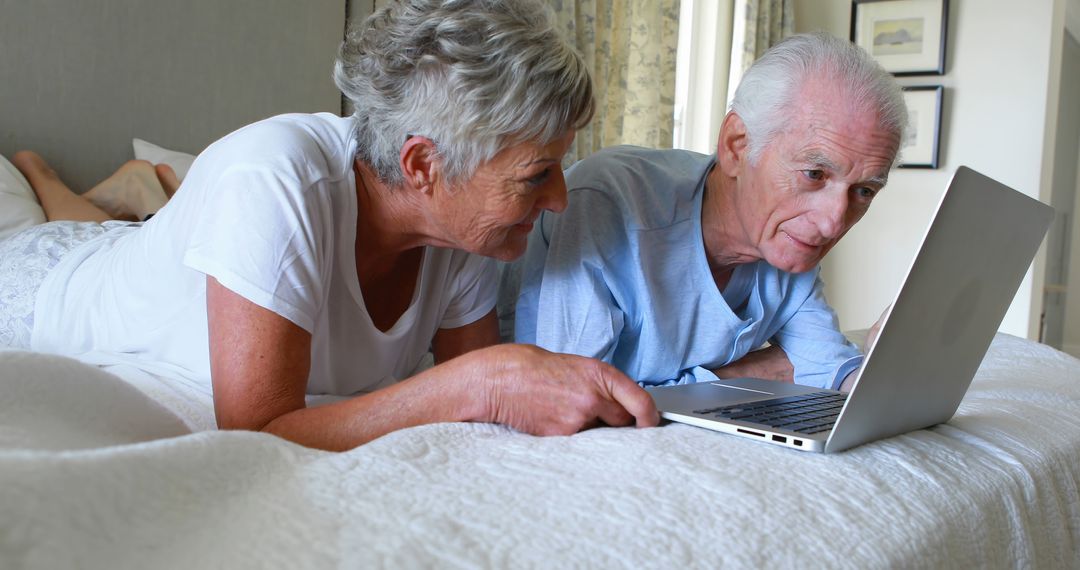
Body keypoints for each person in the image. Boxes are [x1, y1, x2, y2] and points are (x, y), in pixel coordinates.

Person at [0, 0, 659, 451]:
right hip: (36, 283)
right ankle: (56, 185)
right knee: (66, 242)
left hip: (121, 256)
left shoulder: (466, 228)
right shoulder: (272, 179)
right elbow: (256, 432)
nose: (560, 200)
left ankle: (141, 194)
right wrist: (480, 382)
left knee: (126, 240)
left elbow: (482, 414)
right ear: (424, 163)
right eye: (536, 174)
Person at [514, 32, 905, 392]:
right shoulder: (608, 203)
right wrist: (753, 371)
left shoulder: (787, 242)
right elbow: (575, 402)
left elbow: (827, 364)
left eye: (864, 191)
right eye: (814, 174)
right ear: (736, 146)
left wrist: (887, 364)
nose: (833, 222)